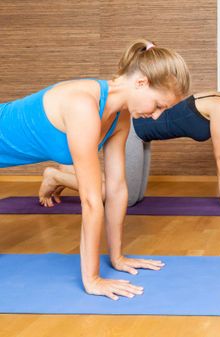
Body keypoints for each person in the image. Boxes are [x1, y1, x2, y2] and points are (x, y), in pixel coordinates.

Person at [0, 39, 191, 300]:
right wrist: (92, 279)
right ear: (141, 82)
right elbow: (90, 200)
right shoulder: (82, 105)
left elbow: (116, 187)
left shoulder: (121, 117)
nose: (157, 116)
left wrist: (117, 257)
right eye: (159, 105)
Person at [39, 65, 220, 212]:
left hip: (145, 135)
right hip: (132, 129)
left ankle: (68, 170)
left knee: (137, 196)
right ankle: (56, 176)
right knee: (126, 198)